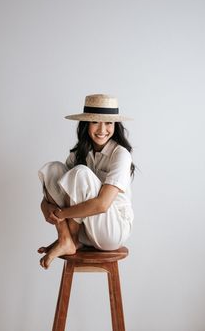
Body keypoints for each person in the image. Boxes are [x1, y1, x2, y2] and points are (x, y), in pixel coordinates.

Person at [37, 94, 135, 269]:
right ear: (86, 124)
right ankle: (67, 239)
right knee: (53, 168)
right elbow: (53, 194)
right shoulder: (79, 153)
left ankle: (70, 239)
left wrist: (60, 214)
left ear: (115, 126)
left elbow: (102, 205)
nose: (102, 129)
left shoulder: (121, 155)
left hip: (112, 230)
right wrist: (47, 209)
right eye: (95, 122)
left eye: (109, 123)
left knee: (81, 173)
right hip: (86, 231)